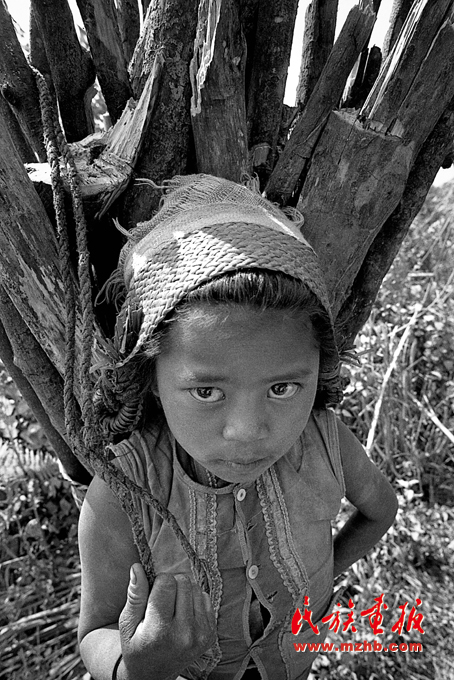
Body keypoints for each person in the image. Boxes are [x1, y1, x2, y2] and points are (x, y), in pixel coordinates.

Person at [77, 174, 398, 680]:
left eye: (283, 388)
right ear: (151, 379)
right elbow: (95, 629)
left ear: (320, 370)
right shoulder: (124, 492)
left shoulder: (327, 441)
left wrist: (318, 583)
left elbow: (381, 510)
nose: (247, 432)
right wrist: (135, 668)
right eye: (207, 392)